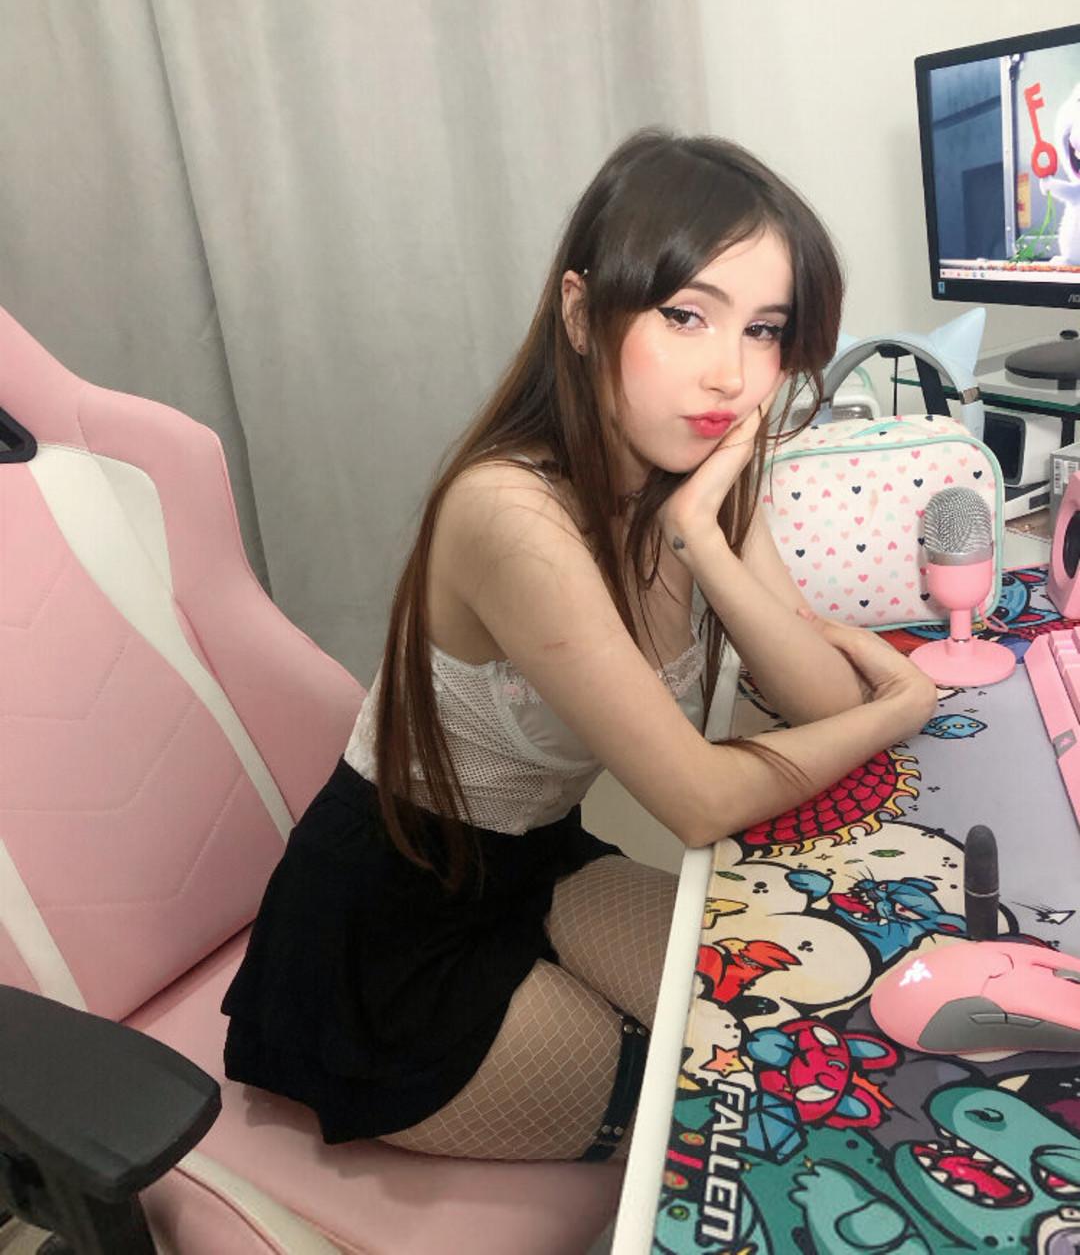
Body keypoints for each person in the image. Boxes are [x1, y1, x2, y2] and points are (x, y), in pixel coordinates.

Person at [221, 128, 937, 1164]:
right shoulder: (509, 513)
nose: (730, 374)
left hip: (541, 860)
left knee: (805, 1016)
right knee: (746, 1107)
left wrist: (704, 538)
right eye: (685, 315)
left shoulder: (697, 477)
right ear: (578, 312)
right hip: (393, 926)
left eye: (765, 331)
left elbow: (819, 698)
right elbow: (699, 797)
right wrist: (898, 711)